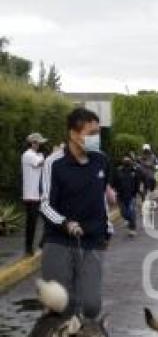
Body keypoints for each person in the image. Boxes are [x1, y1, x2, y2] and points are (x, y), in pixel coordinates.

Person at [40, 108, 110, 318]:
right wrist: (66, 223)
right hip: (59, 240)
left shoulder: (101, 160)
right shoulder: (54, 163)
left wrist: (108, 229)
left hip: (92, 242)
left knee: (91, 305)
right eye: (90, 134)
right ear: (73, 133)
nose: (95, 139)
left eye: (97, 133)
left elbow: (101, 196)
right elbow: (44, 204)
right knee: (60, 306)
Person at [21, 132, 47, 255]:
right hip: (31, 196)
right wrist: (53, 153)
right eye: (39, 143)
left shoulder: (36, 155)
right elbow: (41, 162)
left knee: (47, 220)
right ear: (33, 143)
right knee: (31, 224)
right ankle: (28, 248)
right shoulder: (28, 155)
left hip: (38, 195)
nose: (41, 145)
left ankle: (39, 245)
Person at [113, 156, 140, 237]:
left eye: (128, 161)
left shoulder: (134, 171)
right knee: (123, 213)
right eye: (125, 161)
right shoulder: (118, 171)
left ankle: (132, 229)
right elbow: (114, 182)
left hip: (131, 196)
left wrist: (135, 192)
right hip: (121, 196)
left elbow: (137, 183)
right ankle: (129, 221)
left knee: (131, 212)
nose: (127, 162)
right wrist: (116, 190)